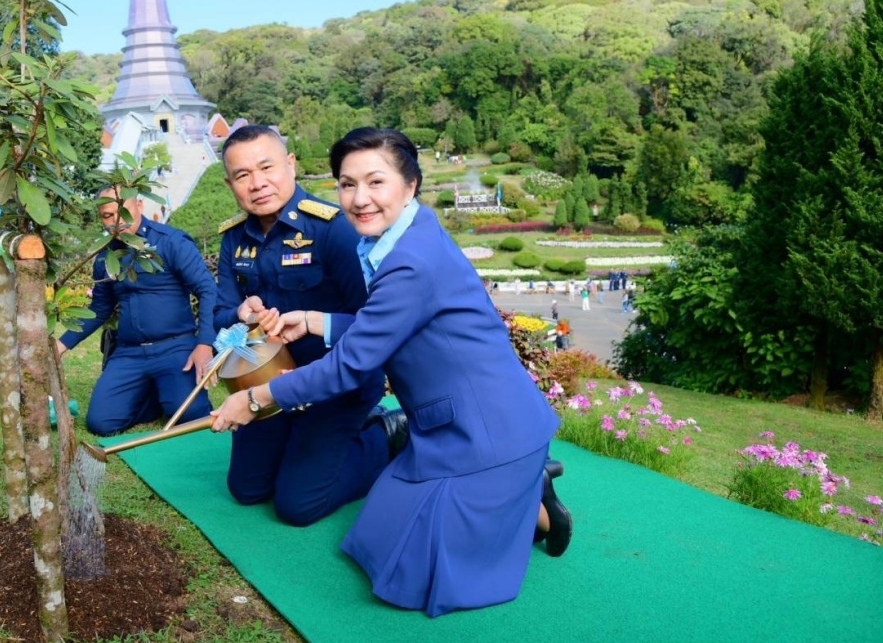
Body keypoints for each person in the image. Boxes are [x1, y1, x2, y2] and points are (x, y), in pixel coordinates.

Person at [211, 128, 572, 617]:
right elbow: (387, 324)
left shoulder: (408, 262)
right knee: (375, 539)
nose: (360, 199)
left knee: (412, 577)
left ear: (411, 184)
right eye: (347, 184)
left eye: (375, 182)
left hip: (486, 429)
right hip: (444, 422)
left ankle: (532, 500)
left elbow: (354, 362)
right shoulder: (407, 235)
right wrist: (316, 320)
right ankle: (520, 492)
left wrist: (255, 398)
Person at [213, 124, 404, 527]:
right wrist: (241, 314)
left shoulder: (334, 228)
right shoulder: (233, 238)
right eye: (243, 175)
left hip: (333, 386)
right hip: (267, 384)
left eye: (267, 167)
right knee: (247, 490)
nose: (258, 183)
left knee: (296, 506)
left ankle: (388, 434)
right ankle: (301, 444)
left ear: (291, 164)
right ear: (230, 183)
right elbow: (219, 314)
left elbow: (374, 324)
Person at [56, 188, 217, 436]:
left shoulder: (171, 242)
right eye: (107, 216)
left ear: (139, 205)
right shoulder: (105, 257)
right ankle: (155, 395)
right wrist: (61, 345)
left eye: (123, 212)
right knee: (101, 424)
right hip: (129, 353)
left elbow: (207, 289)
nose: (116, 222)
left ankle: (168, 393)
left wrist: (205, 344)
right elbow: (99, 308)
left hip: (176, 348)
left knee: (191, 417)